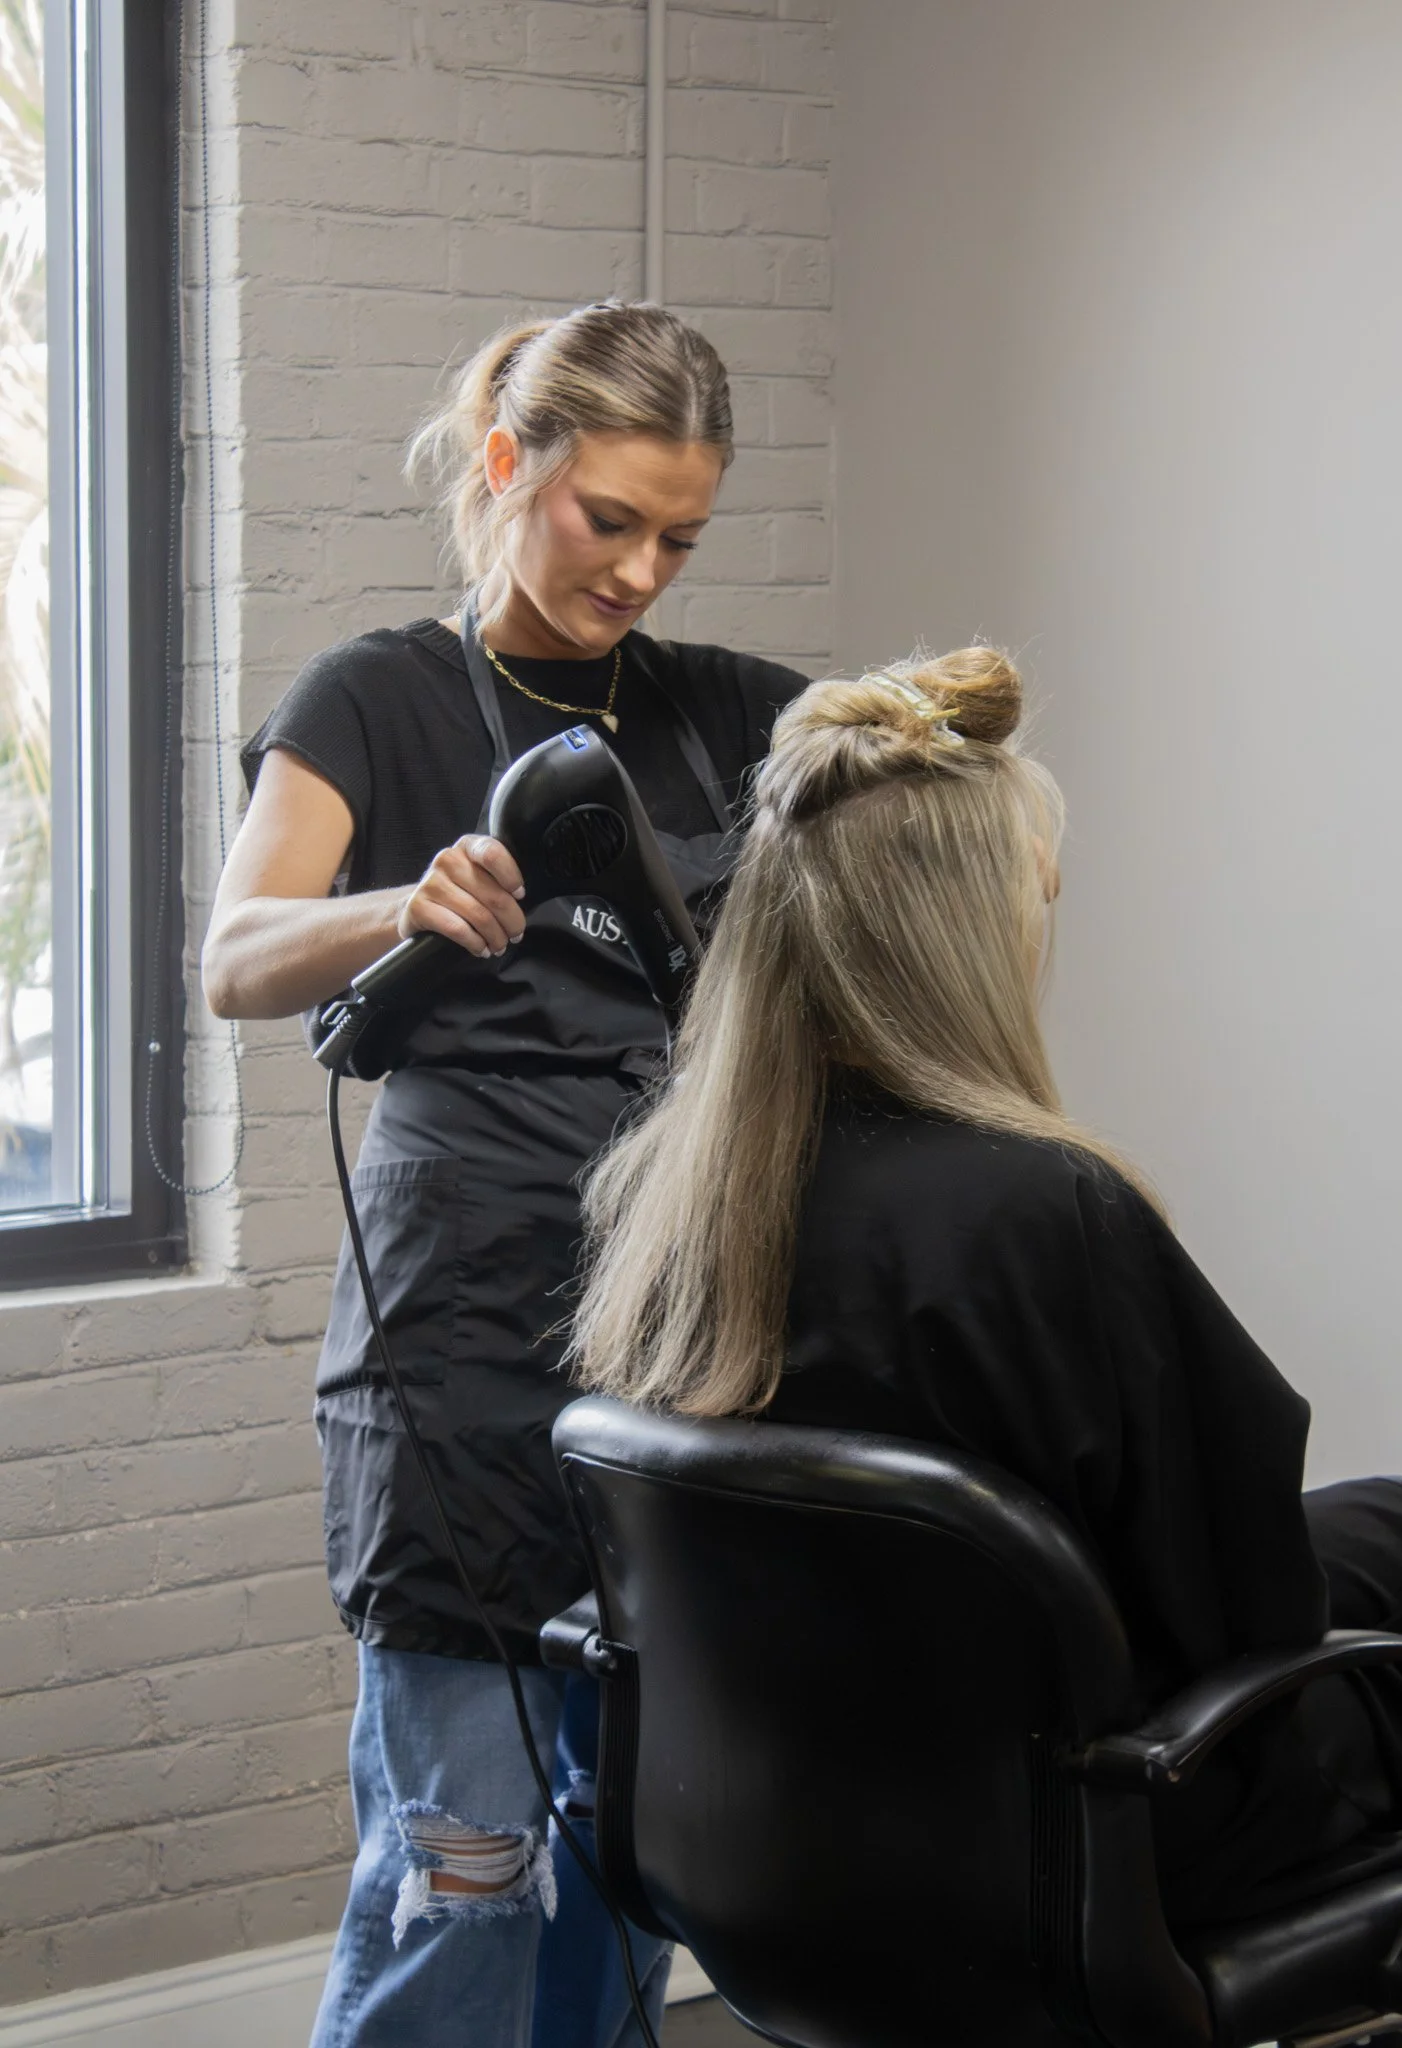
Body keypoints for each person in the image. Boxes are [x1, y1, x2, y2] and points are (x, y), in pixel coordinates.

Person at [570, 647, 1402, 1936]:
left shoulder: (660, 1199)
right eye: (1032, 905)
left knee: (1398, 1536)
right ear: (961, 942)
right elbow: (1231, 1608)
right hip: (1081, 1855)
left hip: (787, 1833)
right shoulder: (1045, 1210)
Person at [201, 300, 810, 2048]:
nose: (638, 569)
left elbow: (922, 793)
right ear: (507, 465)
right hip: (457, 1373)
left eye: (677, 535)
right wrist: (404, 903)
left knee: (627, 1887)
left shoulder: (712, 712)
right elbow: (237, 955)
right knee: (463, 1883)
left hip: (674, 1365)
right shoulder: (375, 698)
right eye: (604, 518)